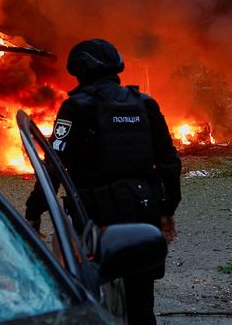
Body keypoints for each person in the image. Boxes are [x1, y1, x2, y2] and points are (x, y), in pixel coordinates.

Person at [25, 38, 182, 325]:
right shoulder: (145, 104)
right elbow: (170, 163)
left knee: (91, 296)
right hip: (143, 211)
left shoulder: (76, 108)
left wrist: (34, 211)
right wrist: (166, 209)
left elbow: (53, 166)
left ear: (78, 71)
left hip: (97, 217)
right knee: (141, 302)